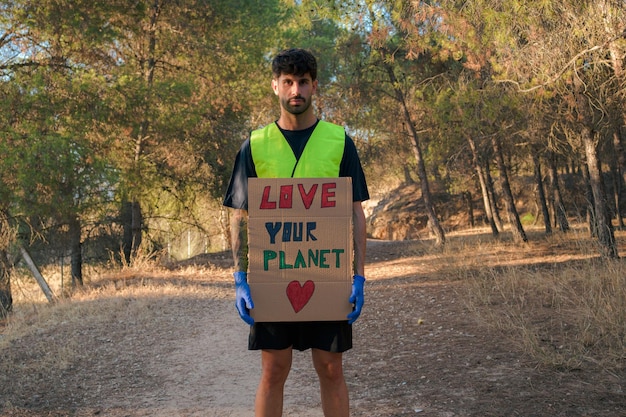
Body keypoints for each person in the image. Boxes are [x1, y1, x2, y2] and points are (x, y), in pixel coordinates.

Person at [223, 48, 369, 417]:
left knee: (331, 368)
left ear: (314, 86)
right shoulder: (255, 144)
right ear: (275, 86)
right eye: (288, 82)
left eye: (303, 82)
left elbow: (355, 213)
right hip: (273, 276)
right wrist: (239, 277)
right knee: (273, 371)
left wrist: (359, 276)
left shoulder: (339, 141)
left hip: (327, 275)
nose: (296, 90)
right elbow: (238, 215)